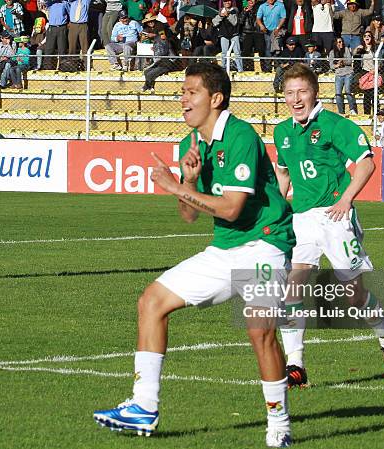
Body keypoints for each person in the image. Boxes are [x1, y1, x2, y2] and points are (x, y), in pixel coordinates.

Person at [93, 62, 296, 448]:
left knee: (260, 333)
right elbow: (189, 215)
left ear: (216, 99)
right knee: (151, 301)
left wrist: (173, 185)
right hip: (225, 248)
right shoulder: (196, 144)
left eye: (191, 92)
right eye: (182, 92)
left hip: (266, 246)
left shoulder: (240, 136)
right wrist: (185, 181)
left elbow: (233, 208)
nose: (182, 98)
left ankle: (279, 426)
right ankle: (143, 406)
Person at [273, 63, 384, 387]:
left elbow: (366, 162)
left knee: (353, 295)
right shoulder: (282, 132)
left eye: (302, 91)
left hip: (336, 219)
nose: (296, 98)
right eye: (290, 93)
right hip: (301, 219)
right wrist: (276, 211)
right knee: (293, 287)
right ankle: (296, 365)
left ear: (315, 92)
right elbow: (284, 174)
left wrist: (346, 199)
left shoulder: (335, 125)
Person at [256, 0, 287, 72]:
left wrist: (277, 28)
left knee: (277, 49)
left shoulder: (280, 5)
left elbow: (283, 18)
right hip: (267, 31)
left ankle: (277, 68)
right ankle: (268, 69)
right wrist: (261, 26)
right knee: (268, 49)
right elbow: (258, 18)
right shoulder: (262, 6)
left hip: (277, 30)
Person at [329, 36, 357, 115]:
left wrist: (343, 62)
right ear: (335, 43)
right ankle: (341, 112)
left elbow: (350, 61)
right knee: (338, 94)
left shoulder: (346, 49)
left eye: (341, 41)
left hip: (348, 73)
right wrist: (337, 65)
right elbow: (331, 65)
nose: (341, 43)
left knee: (348, 91)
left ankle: (352, 109)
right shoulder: (332, 52)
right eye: (339, 42)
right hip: (339, 74)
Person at [213, 0, 243, 73]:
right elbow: (214, 22)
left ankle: (240, 69)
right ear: (223, 2)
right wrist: (221, 16)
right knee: (224, 52)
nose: (227, 2)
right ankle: (224, 68)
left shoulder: (235, 10)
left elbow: (235, 22)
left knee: (237, 52)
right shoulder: (220, 11)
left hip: (234, 34)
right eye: (225, 1)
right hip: (224, 34)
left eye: (229, 1)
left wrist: (228, 15)